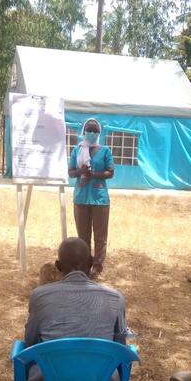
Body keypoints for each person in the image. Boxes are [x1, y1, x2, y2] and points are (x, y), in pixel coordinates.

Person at [24, 237, 127, 381]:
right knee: (111, 361)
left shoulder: (39, 296)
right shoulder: (116, 299)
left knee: (31, 356)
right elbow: (121, 348)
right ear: (91, 262)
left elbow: (30, 341)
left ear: (58, 266)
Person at [67, 118, 114, 278]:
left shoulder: (105, 151)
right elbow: (70, 171)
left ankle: (98, 267)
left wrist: (95, 174)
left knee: (100, 236)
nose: (92, 133)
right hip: (81, 198)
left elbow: (111, 171)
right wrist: (81, 172)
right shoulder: (77, 150)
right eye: (89, 130)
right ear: (84, 132)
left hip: (100, 199)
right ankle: (85, 266)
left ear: (99, 133)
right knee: (83, 236)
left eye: (95, 131)